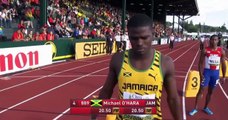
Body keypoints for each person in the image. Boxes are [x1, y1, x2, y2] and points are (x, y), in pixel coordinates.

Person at [91, 14, 181, 120]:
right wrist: (93, 116)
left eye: (144, 37)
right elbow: (106, 91)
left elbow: (173, 98)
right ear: (128, 36)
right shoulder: (118, 60)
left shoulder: (165, 63)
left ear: (153, 34)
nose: (139, 43)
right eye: (134, 38)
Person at [189, 35, 226, 116]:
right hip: (207, 73)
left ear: (218, 41)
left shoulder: (221, 51)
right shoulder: (205, 50)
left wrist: (223, 76)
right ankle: (195, 108)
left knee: (211, 92)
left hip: (215, 74)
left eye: (215, 40)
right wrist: (200, 74)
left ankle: (206, 107)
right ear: (210, 41)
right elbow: (200, 63)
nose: (213, 41)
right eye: (212, 40)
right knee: (201, 90)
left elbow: (223, 64)